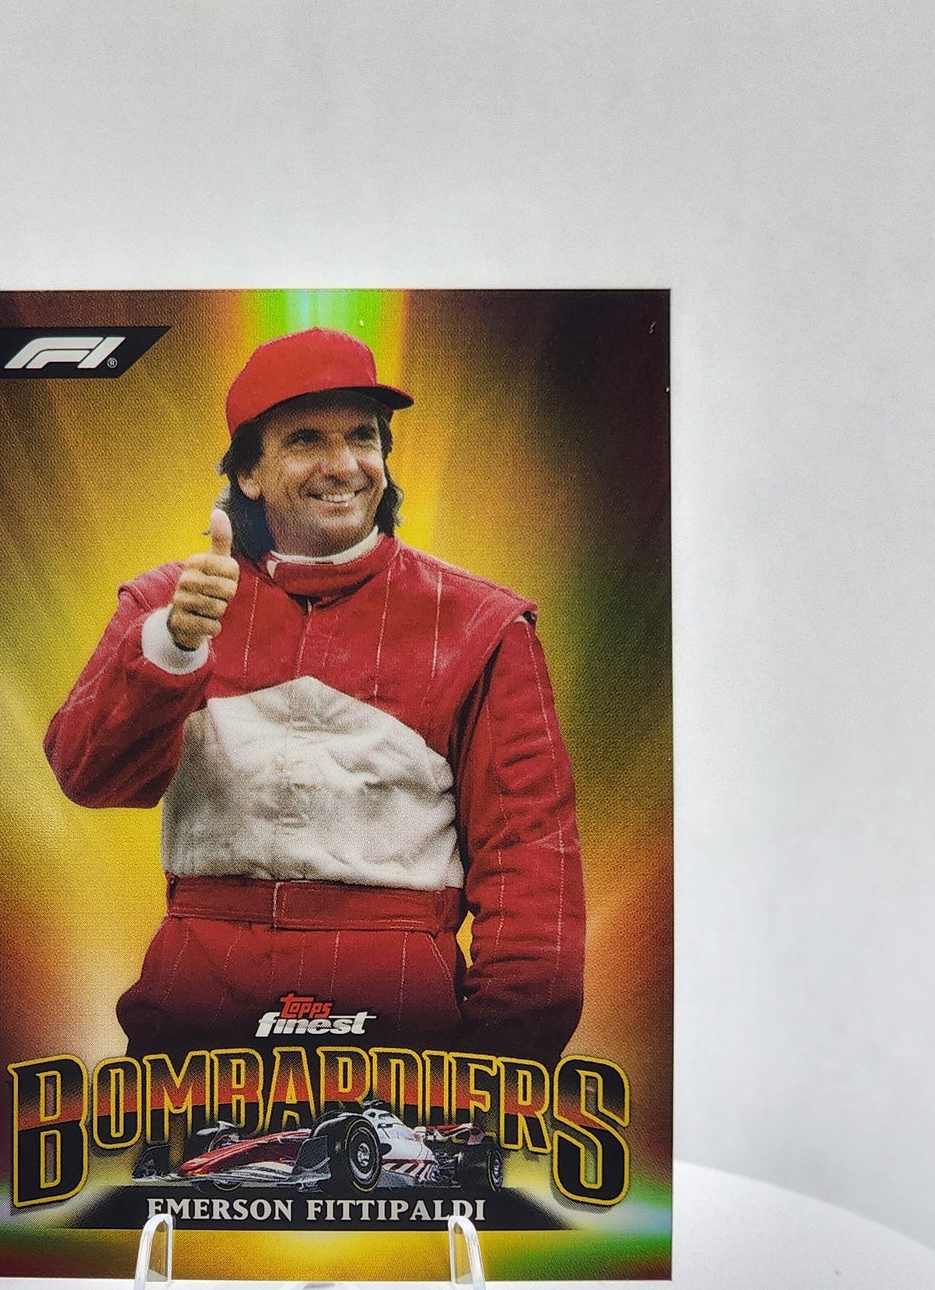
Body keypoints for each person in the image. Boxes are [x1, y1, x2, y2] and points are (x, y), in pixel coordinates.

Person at [44, 326, 584, 1070]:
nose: (344, 465)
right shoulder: (171, 603)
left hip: (396, 1014)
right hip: (196, 1007)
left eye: (362, 436)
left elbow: (531, 864)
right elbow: (87, 776)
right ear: (250, 473)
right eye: (306, 439)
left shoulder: (485, 626)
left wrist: (499, 1064)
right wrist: (173, 646)